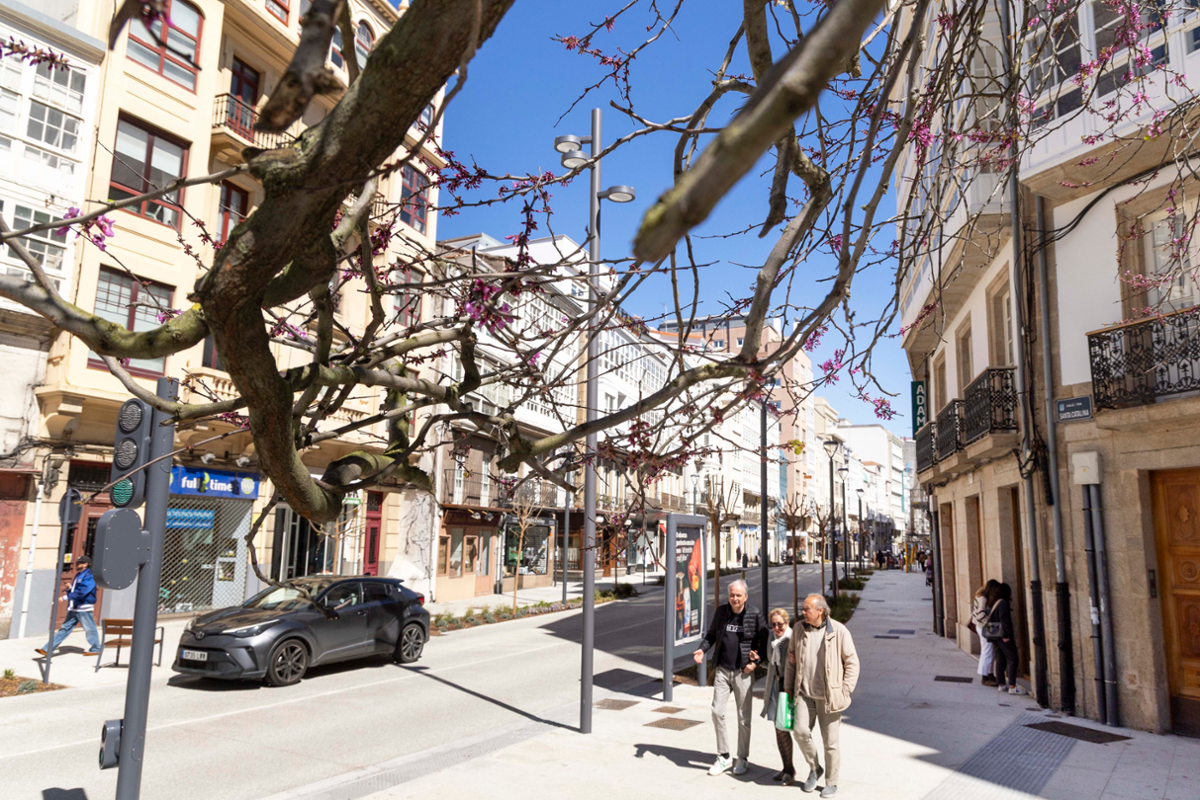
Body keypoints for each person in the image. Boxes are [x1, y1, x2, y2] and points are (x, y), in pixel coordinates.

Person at [784, 593, 859, 798]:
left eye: (806, 609)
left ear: (820, 611)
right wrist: (788, 688)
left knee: (830, 743)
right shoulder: (799, 629)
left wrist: (845, 690)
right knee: (800, 732)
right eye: (803, 609)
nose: (803, 612)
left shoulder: (839, 631)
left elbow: (852, 662)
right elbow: (791, 661)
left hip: (829, 697)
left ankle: (831, 781)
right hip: (804, 694)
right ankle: (815, 768)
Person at [693, 580, 768, 777]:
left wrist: (755, 662)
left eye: (738, 595)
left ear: (746, 597)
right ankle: (724, 756)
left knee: (744, 718)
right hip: (722, 670)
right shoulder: (722, 612)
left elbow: (765, 640)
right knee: (717, 712)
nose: (735, 598)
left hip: (743, 672)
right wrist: (702, 650)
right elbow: (711, 635)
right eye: (732, 595)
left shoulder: (754, 614)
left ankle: (742, 757)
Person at [36, 555, 100, 657]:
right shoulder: (79, 575)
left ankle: (96, 649)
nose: (76, 565)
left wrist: (65, 597)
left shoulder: (89, 576)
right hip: (74, 607)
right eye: (77, 563)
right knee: (64, 629)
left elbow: (83, 592)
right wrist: (69, 589)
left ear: (85, 564)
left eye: (79, 563)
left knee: (90, 629)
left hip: (84, 608)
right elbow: (76, 591)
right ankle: (47, 649)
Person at [761, 608, 796, 785]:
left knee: (788, 729)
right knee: (778, 728)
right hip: (774, 687)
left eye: (780, 624)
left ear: (787, 623)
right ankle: (787, 768)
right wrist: (757, 659)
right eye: (773, 624)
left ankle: (796, 770)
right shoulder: (771, 638)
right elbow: (770, 663)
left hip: (788, 689)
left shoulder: (792, 639)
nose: (777, 628)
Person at [990, 583, 1024, 695]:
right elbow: (1004, 620)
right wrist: (1006, 636)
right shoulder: (1003, 603)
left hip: (995, 636)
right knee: (1013, 658)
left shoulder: (996, 602)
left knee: (1000, 658)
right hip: (1002, 636)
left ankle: (1001, 684)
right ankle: (1012, 686)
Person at [971, 580, 1001, 687]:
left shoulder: (981, 596)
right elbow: (980, 615)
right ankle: (985, 677)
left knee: (989, 652)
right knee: (987, 652)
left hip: (983, 627)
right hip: (984, 627)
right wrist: (990, 622)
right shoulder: (983, 598)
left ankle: (990, 674)